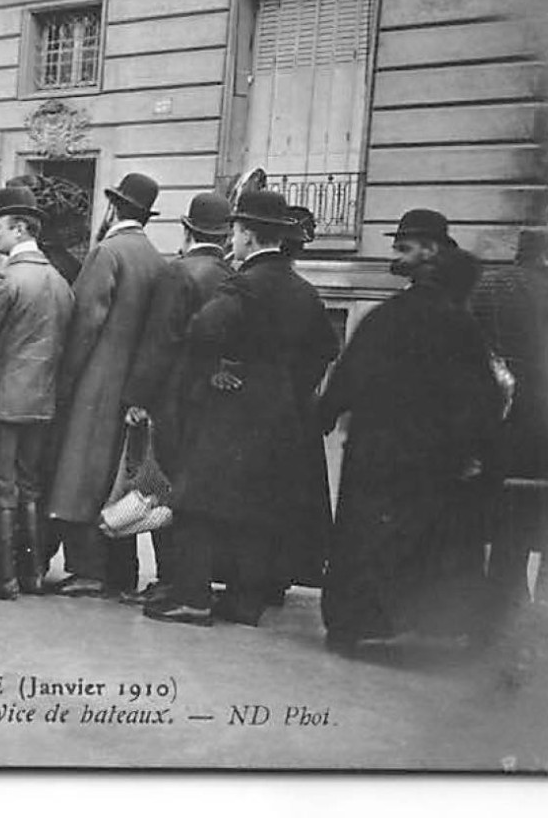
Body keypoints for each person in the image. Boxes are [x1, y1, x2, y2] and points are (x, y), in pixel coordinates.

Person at [147, 190, 339, 628]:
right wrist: (288, 387)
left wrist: (218, 369)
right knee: (257, 508)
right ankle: (245, 602)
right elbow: (326, 348)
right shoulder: (304, 291)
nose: (232, 240)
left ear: (248, 236)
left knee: (196, 499)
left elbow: (203, 330)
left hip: (231, 410)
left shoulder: (243, 285)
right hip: (280, 415)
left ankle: (191, 599)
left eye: (235, 231)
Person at [319, 215, 503, 653]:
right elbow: (483, 393)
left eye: (404, 248)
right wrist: (477, 448)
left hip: (378, 450)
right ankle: (414, 621)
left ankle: (353, 625)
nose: (394, 256)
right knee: (417, 538)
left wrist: (323, 415)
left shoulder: (389, 317)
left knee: (367, 537)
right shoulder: (461, 323)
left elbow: (348, 376)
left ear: (432, 253)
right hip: (434, 455)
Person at [46, 172, 173, 600]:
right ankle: (122, 571)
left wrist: (65, 379)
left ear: (115, 207)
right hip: (132, 384)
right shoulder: (155, 257)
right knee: (120, 476)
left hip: (97, 380)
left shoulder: (107, 252)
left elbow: (84, 321)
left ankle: (89, 570)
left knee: (82, 473)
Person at [470, 226, 548, 623]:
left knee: (506, 526)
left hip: (500, 424)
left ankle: (501, 611)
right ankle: (542, 617)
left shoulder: (487, 288)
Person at [136, 192, 235, 610]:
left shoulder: (179, 274)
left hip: (174, 398)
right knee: (196, 490)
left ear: (187, 230)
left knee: (163, 485)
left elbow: (159, 342)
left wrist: (139, 397)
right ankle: (187, 578)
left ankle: (170, 579)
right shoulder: (230, 275)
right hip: (213, 399)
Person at [0, 185, 74, 597]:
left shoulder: (5, 279)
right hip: (42, 401)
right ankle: (31, 572)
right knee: (30, 487)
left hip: (2, 401)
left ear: (17, 229)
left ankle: (3, 576)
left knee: (2, 487)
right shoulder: (59, 280)